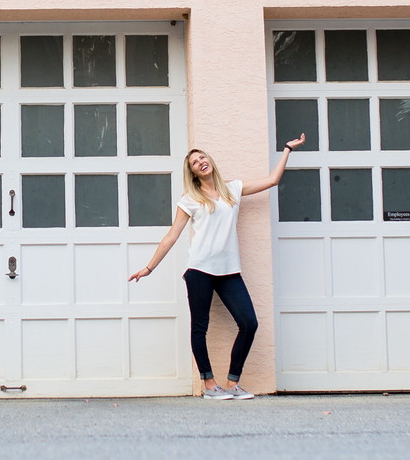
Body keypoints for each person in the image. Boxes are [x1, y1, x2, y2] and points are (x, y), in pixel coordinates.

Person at [128, 133, 305, 400]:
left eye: (202, 157)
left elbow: (272, 180)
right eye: (194, 162)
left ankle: (233, 383)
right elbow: (172, 235)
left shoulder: (232, 189)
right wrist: (149, 268)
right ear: (193, 173)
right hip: (200, 270)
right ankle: (210, 385)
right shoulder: (190, 199)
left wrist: (287, 150)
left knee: (249, 323)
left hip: (229, 271)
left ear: (210, 161)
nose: (200, 162)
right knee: (200, 328)